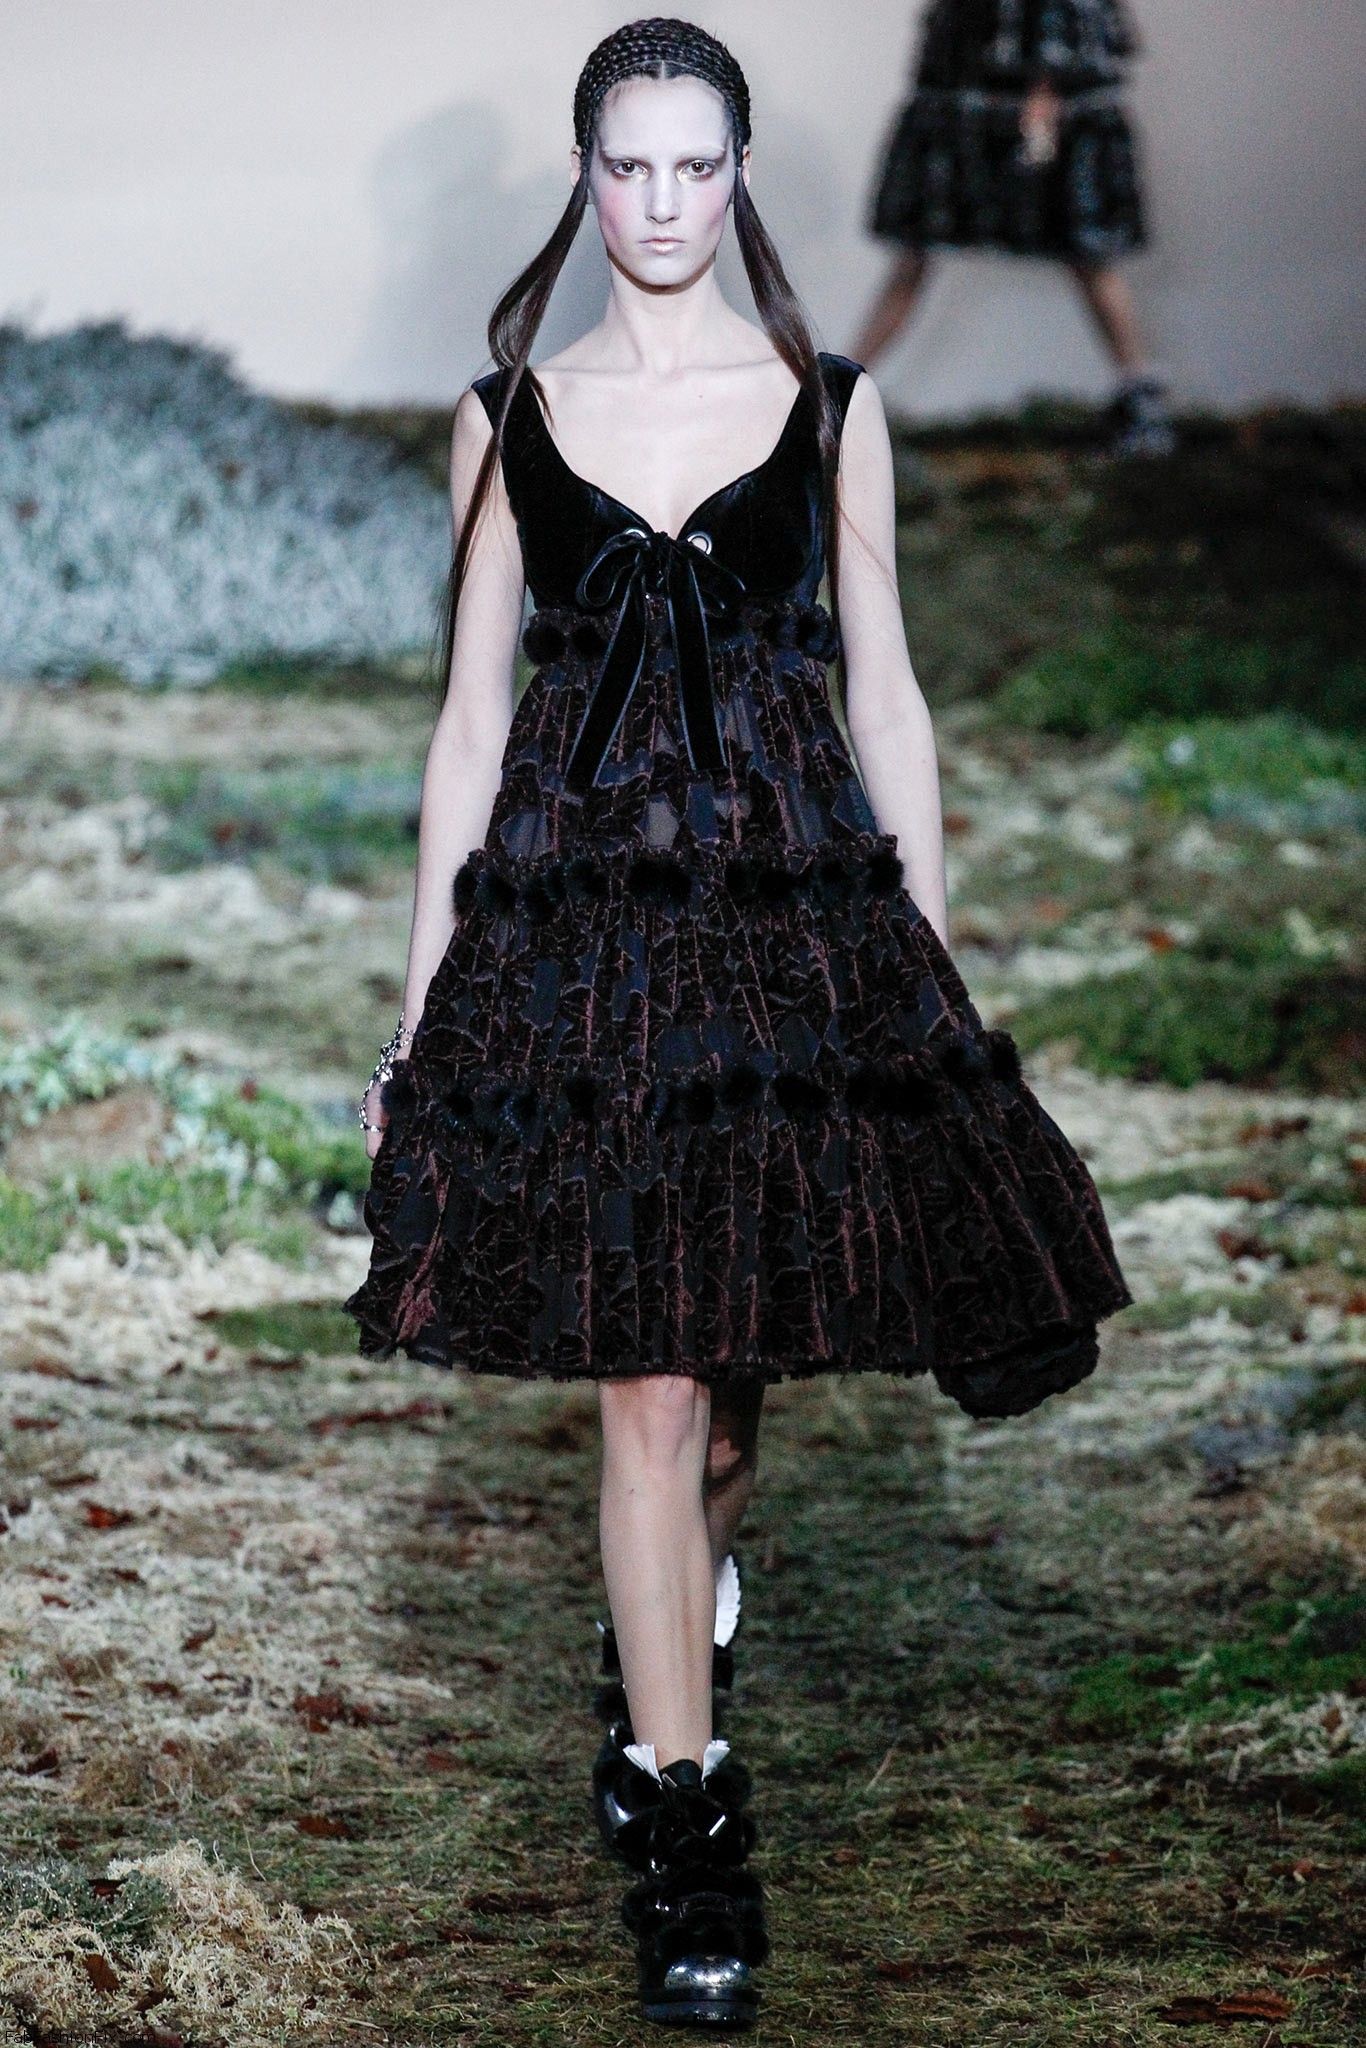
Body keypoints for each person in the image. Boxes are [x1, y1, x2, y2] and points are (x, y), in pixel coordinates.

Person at [344, 14, 1132, 2029]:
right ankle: (687, 1821)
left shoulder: (829, 405)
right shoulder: (506, 416)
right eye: (631, 166)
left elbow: (889, 699)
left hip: (790, 945)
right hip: (588, 948)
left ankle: (671, 1633)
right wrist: (419, 1015)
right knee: (652, 1379)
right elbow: (466, 728)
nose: (664, 202)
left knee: (736, 1379)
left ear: (741, 173)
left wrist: (920, 978)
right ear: (584, 175)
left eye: (698, 166)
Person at [855, 0, 1175, 454]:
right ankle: (836, 392)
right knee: (912, 261)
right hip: (967, 102)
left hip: (1032, 113)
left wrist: (1045, 94)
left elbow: (1066, 28)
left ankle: (1142, 397)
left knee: (1090, 260)